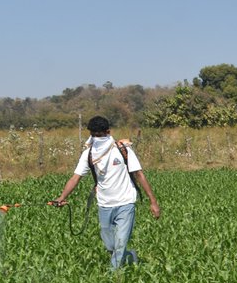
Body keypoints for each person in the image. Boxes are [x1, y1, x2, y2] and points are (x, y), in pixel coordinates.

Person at [52, 115, 161, 269]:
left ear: (108, 132)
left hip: (126, 202)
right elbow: (75, 178)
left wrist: (153, 202)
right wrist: (62, 197)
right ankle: (130, 256)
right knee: (110, 245)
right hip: (104, 204)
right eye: (93, 135)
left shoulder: (123, 150)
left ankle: (113, 279)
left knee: (121, 243)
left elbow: (139, 174)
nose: (97, 138)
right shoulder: (88, 154)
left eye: (100, 134)